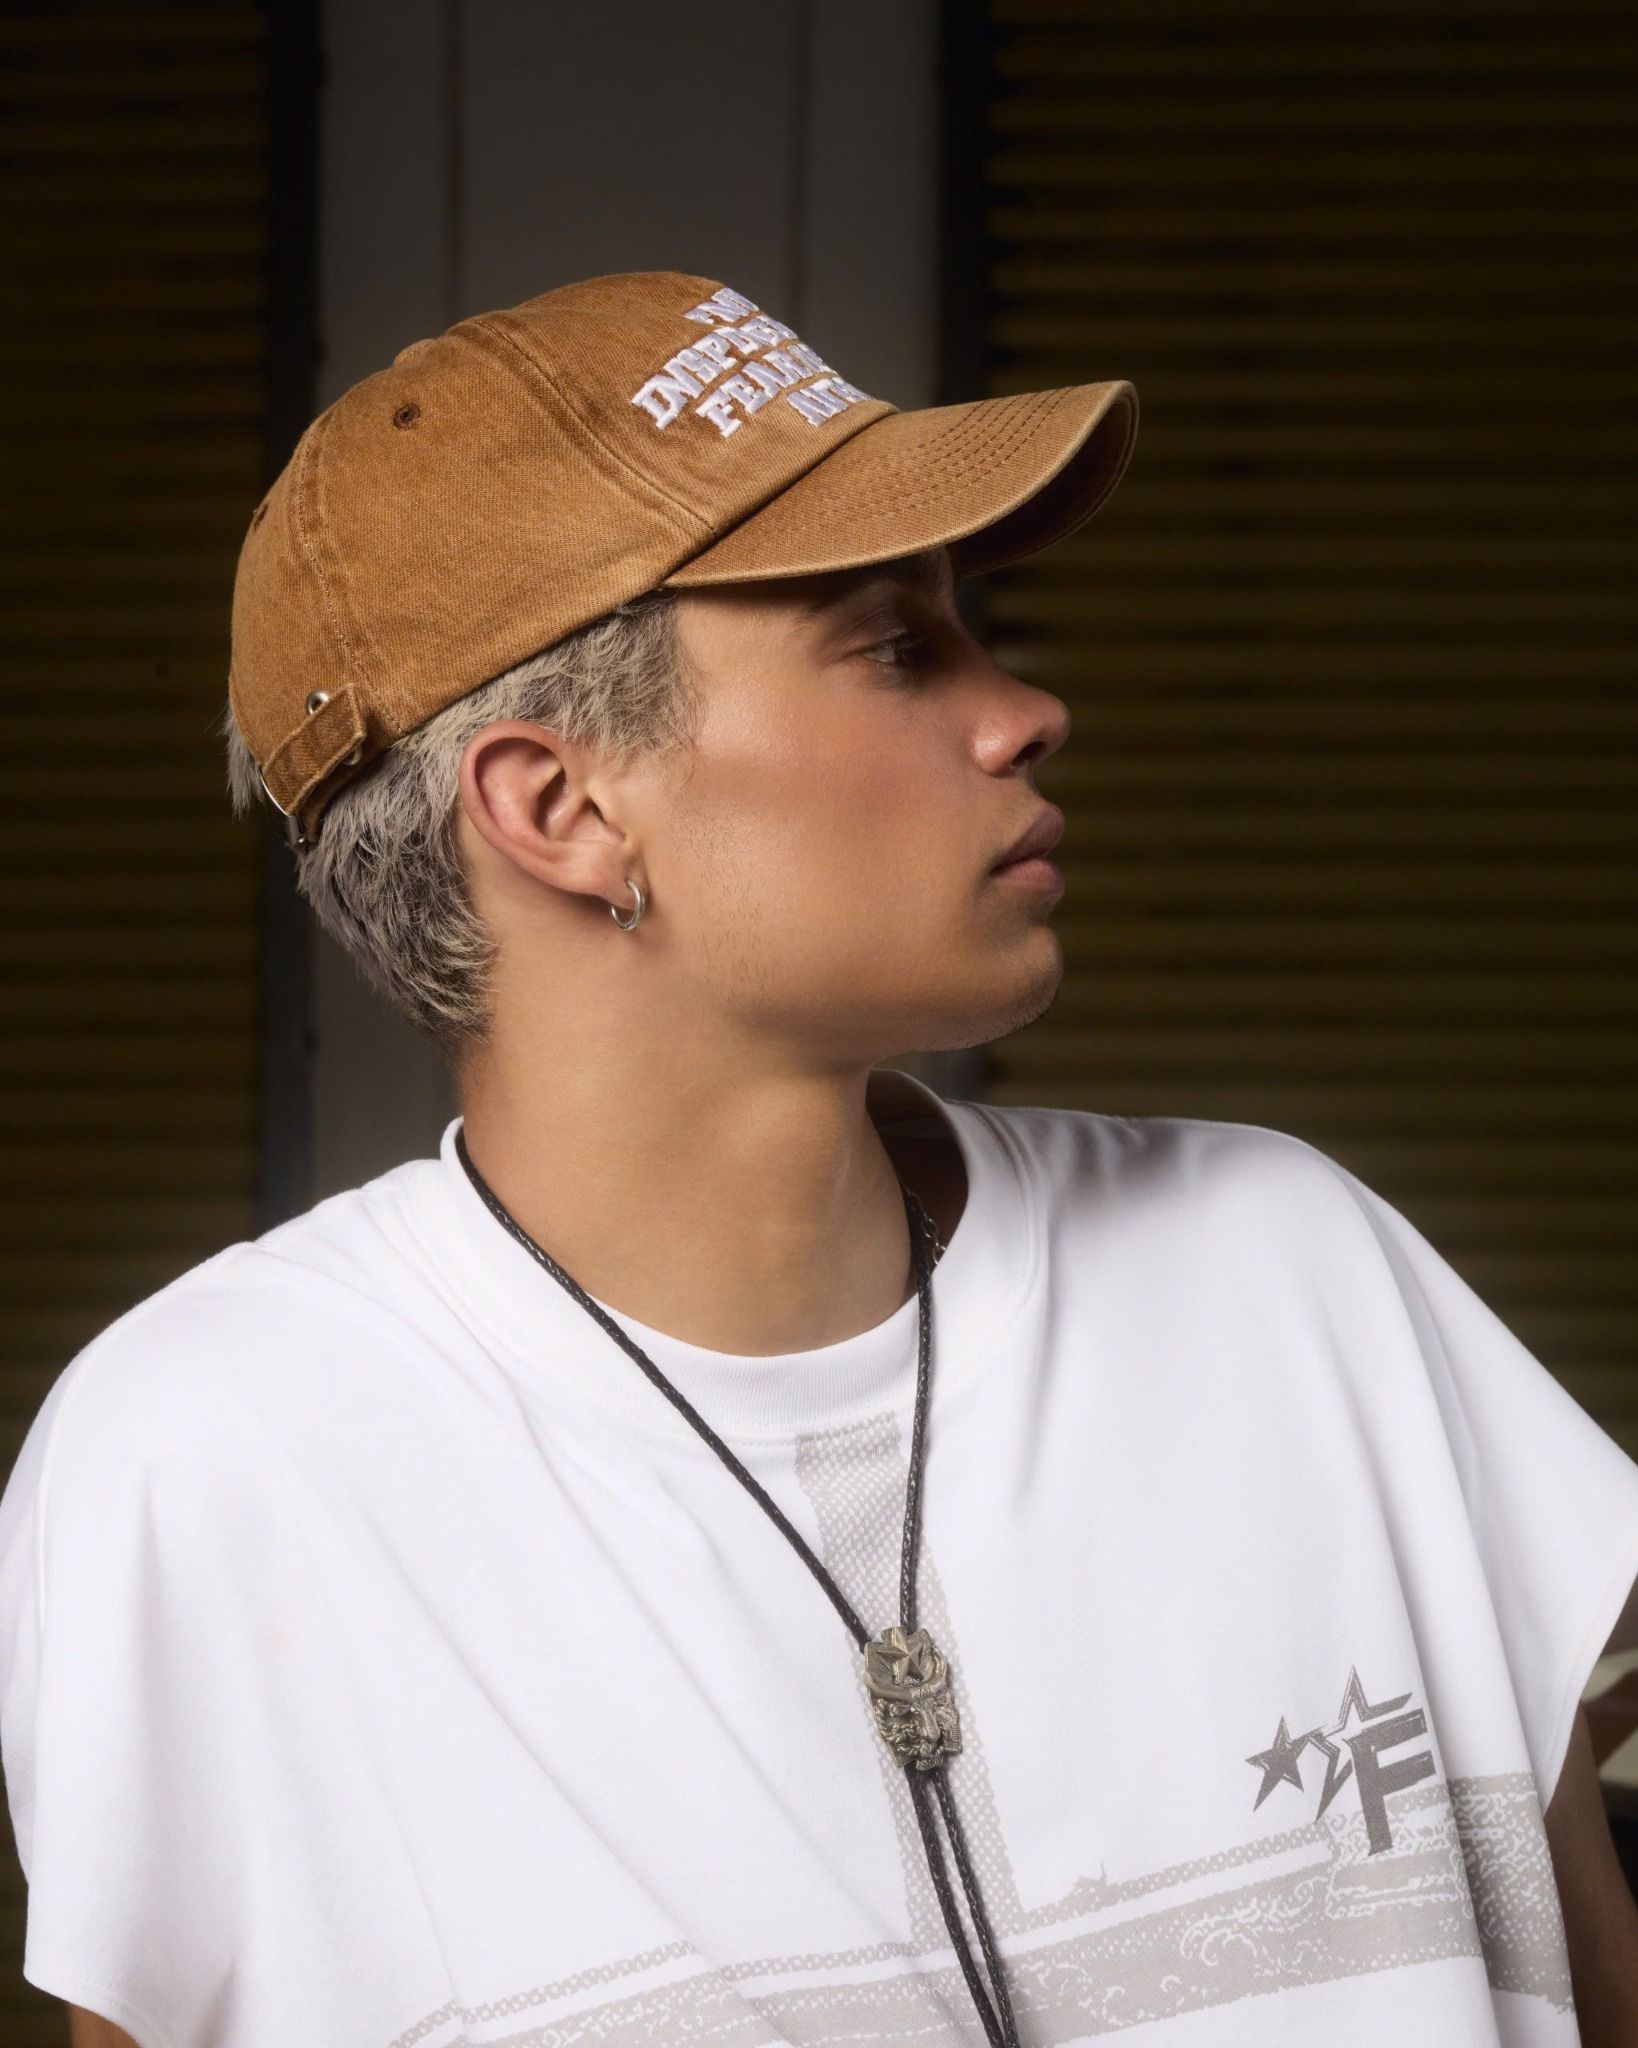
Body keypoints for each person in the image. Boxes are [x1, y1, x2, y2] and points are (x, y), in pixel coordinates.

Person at [1, 269, 1636, 2048]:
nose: (1023, 711)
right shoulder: (215, 1455)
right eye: (895, 647)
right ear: (559, 807)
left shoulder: (1288, 1273)